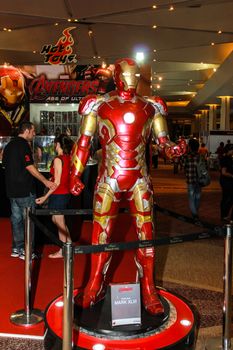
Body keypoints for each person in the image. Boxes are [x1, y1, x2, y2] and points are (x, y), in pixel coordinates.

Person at [69, 57, 185, 315]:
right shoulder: (98, 104)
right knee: (101, 236)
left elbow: (162, 142)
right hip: (109, 179)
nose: (131, 82)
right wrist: (74, 175)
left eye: (135, 77)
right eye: (128, 76)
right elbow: (84, 142)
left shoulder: (152, 107)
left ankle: (148, 289)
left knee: (147, 237)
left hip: (139, 180)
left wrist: (173, 149)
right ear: (118, 77)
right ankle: (94, 286)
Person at [2, 121, 57, 259]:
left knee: (16, 220)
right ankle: (28, 251)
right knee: (29, 221)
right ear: (26, 130)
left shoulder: (9, 145)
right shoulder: (23, 145)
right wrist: (45, 181)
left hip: (11, 190)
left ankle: (17, 248)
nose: (34, 134)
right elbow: (29, 166)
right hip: (25, 190)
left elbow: (4, 162)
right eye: (33, 131)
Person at [35, 134, 74, 258]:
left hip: (58, 194)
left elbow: (56, 183)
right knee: (57, 220)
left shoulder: (58, 159)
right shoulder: (68, 157)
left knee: (59, 222)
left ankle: (64, 250)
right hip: (64, 193)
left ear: (58, 144)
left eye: (55, 143)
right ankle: (69, 245)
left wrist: (45, 197)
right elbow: (62, 178)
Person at [183, 138, 202, 221]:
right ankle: (195, 212)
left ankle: (194, 214)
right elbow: (206, 167)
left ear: (189, 147)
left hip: (190, 179)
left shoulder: (186, 156)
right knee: (197, 197)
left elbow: (183, 165)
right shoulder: (200, 156)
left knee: (191, 197)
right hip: (200, 180)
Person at [219, 144, 233, 222]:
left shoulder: (230, 158)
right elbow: (223, 172)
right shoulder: (225, 159)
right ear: (229, 150)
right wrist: (232, 175)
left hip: (229, 181)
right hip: (226, 181)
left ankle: (226, 216)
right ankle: (224, 216)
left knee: (228, 198)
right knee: (226, 198)